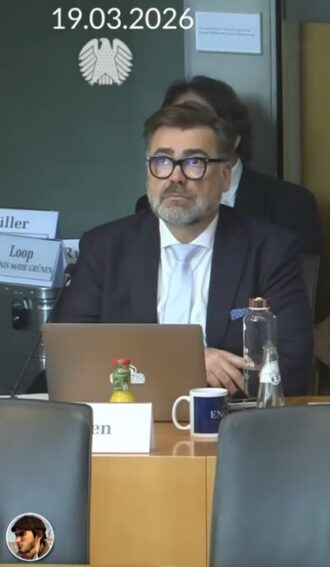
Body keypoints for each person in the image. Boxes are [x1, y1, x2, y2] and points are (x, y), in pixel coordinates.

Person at [57, 103, 313, 395]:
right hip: (130, 413)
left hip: (228, 417)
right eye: (162, 161)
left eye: (193, 162)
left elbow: (292, 367)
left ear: (225, 176)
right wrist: (187, 362)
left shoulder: (271, 250)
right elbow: (71, 355)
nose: (175, 177)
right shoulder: (104, 248)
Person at [133, 76, 322, 256]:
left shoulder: (291, 203)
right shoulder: (147, 206)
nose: (183, 133)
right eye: (176, 120)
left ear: (233, 138)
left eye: (198, 120)